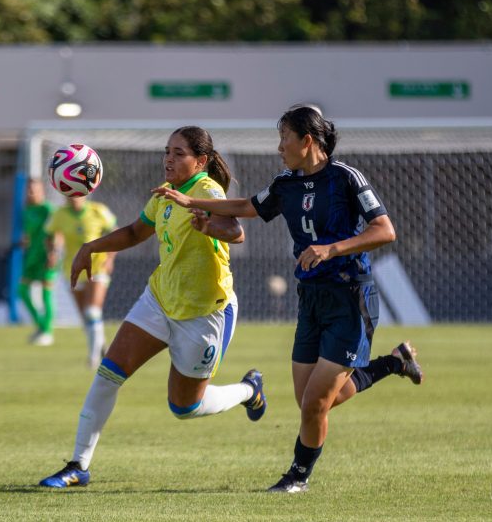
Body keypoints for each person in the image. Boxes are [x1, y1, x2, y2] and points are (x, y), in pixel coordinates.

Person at [152, 106, 423, 493]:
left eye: (284, 139)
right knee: (311, 400)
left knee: (314, 403)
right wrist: (192, 202)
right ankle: (392, 363)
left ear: (307, 142)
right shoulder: (286, 183)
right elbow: (247, 207)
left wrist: (332, 249)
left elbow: (385, 230)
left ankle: (298, 477)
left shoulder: (346, 178)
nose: (279, 147)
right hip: (310, 299)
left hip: (350, 298)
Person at [38, 126, 267, 488]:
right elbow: (133, 232)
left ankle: (248, 391)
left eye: (179, 153)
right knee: (108, 374)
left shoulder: (207, 190)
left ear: (201, 161)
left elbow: (236, 232)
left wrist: (208, 226)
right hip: (159, 299)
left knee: (184, 408)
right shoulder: (165, 195)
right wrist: (89, 248)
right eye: (167, 152)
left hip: (204, 312)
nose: (168, 160)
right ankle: (78, 465)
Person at [45, 193, 117, 369]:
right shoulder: (59, 214)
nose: (74, 197)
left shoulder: (98, 211)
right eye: (70, 193)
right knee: (86, 318)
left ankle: (93, 360)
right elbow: (49, 235)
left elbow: (115, 232)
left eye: (78, 193)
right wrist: (52, 252)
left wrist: (109, 259)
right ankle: (100, 348)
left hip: (97, 267)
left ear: (86, 194)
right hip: (73, 270)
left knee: (92, 312)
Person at [20, 179, 57, 346]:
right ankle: (41, 326)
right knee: (21, 290)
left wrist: (54, 253)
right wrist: (25, 241)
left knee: (45, 294)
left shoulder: (47, 209)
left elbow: (57, 232)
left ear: (42, 191)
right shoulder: (27, 210)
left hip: (46, 256)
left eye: (33, 190)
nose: (30, 193)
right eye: (28, 190)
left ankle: (47, 332)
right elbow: (29, 233)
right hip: (31, 256)